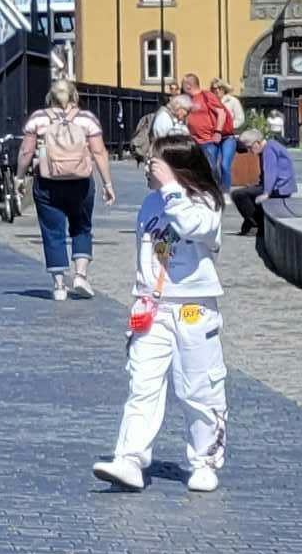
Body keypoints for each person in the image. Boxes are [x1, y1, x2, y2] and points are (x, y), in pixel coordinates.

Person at [92, 133, 228, 495]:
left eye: (153, 162)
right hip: (153, 307)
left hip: (193, 307)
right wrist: (141, 295)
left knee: (197, 388)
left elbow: (193, 228)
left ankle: (204, 460)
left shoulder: (205, 202)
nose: (146, 168)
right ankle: (130, 458)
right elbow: (150, 255)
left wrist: (171, 189)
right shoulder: (150, 204)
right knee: (143, 383)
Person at [17, 71, 113, 299]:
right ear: (74, 95)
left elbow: (26, 151)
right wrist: (107, 183)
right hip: (81, 182)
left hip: (47, 182)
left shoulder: (38, 118)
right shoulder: (87, 119)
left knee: (52, 231)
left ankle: (59, 286)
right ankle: (80, 275)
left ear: (50, 96)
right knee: (82, 226)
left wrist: (19, 177)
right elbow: (99, 152)